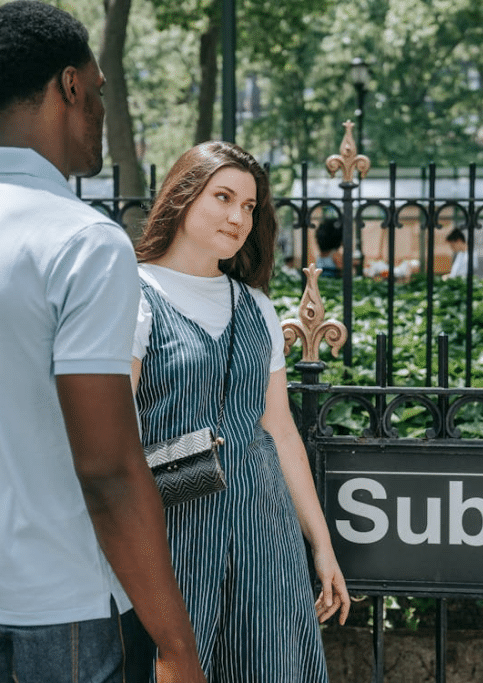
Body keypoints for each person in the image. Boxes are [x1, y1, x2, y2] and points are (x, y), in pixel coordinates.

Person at [0, 3, 204, 682]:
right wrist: (177, 643)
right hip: (61, 598)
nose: (101, 108)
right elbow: (106, 467)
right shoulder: (86, 241)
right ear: (70, 86)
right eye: (99, 91)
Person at [131, 141, 351, 681]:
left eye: (249, 206)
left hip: (263, 533)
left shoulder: (255, 305)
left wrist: (322, 547)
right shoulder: (133, 294)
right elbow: (114, 437)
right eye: (223, 197)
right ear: (183, 197)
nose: (237, 217)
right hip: (176, 531)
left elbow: (279, 430)